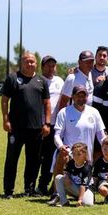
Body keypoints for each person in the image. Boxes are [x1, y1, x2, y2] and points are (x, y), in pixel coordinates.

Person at [1, 52, 51, 198]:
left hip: (36, 128)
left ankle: (29, 189)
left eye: (32, 62)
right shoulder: (13, 78)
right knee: (11, 159)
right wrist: (6, 120)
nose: (30, 64)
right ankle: (8, 190)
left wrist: (47, 123)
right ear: (21, 63)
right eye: (27, 61)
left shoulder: (41, 80)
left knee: (33, 160)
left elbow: (47, 103)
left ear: (36, 64)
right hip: (16, 128)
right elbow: (4, 100)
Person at [51, 85, 106, 191]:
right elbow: (57, 135)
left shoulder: (94, 112)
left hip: (87, 157)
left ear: (87, 97)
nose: (81, 98)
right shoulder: (64, 112)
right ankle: (56, 193)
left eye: (84, 95)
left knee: (87, 200)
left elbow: (101, 136)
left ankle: (81, 191)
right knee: (61, 156)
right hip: (69, 154)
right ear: (72, 96)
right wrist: (61, 146)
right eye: (78, 95)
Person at [36, 55, 64, 195]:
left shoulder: (60, 81)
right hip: (40, 125)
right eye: (48, 65)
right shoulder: (38, 80)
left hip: (55, 125)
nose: (51, 68)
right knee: (37, 157)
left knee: (49, 158)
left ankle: (43, 185)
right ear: (42, 67)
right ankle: (30, 186)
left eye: (53, 65)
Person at [51, 142, 93, 207]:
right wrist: (66, 176)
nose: (75, 157)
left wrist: (80, 199)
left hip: (84, 190)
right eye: (74, 154)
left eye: (79, 154)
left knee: (88, 204)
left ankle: (80, 198)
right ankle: (63, 201)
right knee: (59, 177)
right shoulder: (71, 163)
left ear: (85, 154)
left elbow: (83, 186)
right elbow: (66, 171)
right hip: (73, 187)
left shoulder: (87, 167)